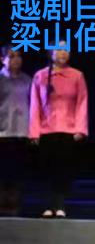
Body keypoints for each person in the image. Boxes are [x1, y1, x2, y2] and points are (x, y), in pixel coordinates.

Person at [29, 41, 89, 218]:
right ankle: (48, 205)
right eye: (59, 49)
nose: (63, 52)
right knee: (47, 169)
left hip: (68, 130)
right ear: (51, 53)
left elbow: (82, 103)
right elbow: (35, 105)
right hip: (46, 130)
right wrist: (34, 131)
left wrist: (81, 129)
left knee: (64, 169)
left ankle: (61, 204)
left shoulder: (77, 75)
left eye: (66, 49)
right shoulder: (40, 75)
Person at [0, 47, 31, 216]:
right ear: (2, 59)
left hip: (21, 131)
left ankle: (14, 204)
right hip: (3, 132)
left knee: (17, 171)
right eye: (11, 56)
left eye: (19, 56)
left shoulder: (27, 80)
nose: (16, 59)